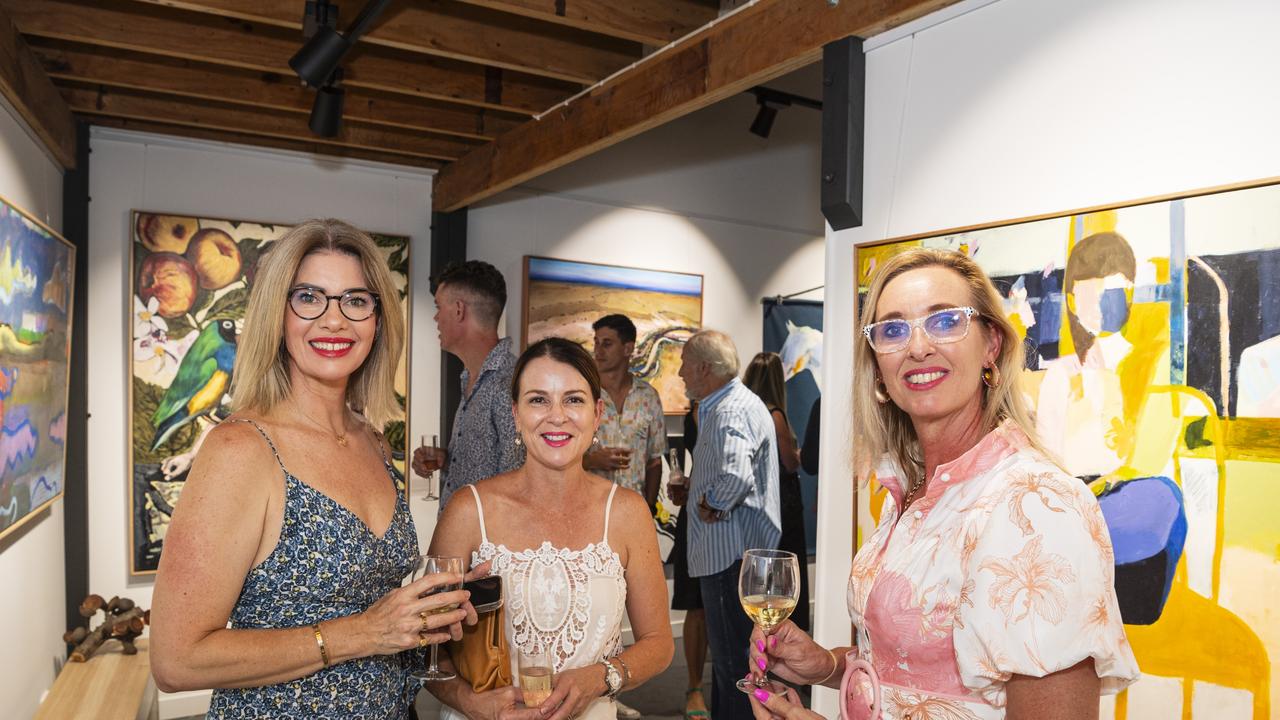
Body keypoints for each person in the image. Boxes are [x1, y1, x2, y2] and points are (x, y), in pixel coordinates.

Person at [747, 248, 1140, 720]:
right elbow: (918, 674)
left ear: (991, 344)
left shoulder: (1036, 505)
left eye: (945, 321)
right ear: (877, 366)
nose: (917, 347)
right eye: (892, 329)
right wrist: (826, 665)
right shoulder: (913, 490)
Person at [150, 219, 477, 718]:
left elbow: (382, 620)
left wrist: (426, 620)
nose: (334, 321)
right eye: (309, 297)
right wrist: (361, 633)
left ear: (377, 320)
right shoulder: (242, 449)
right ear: (277, 316)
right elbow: (176, 661)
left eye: (355, 300)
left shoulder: (370, 439)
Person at [427, 337, 675, 720]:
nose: (556, 416)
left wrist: (601, 677)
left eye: (573, 399)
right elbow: (426, 645)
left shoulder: (626, 512)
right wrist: (469, 702)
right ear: (515, 413)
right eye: (538, 400)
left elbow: (659, 644)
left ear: (597, 413)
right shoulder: (469, 509)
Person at [677, 329, 781, 720]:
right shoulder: (733, 403)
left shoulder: (728, 410)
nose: (681, 374)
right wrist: (697, 489)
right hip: (739, 555)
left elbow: (736, 476)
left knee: (733, 665)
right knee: (738, 663)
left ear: (704, 368)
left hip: (728, 557)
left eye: (685, 364)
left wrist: (711, 503)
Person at [412, 260, 524, 511]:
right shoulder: (470, 376)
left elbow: (516, 483)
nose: (435, 317)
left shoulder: (509, 383)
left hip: (485, 543)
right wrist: (447, 458)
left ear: (459, 310)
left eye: (439, 307)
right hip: (463, 540)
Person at [742, 352, 810, 634]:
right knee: (785, 569)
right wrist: (804, 454)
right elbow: (789, 461)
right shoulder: (775, 416)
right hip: (784, 500)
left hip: (759, 503)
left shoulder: (746, 414)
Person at [583, 313, 666, 513]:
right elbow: (562, 456)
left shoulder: (648, 396)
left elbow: (654, 460)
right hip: (590, 507)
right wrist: (593, 461)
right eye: (596, 342)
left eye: (607, 344)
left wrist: (650, 507)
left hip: (634, 509)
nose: (598, 351)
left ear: (627, 349)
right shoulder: (583, 395)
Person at [665, 401, 709, 720]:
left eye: (689, 364)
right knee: (696, 605)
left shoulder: (732, 405)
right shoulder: (692, 409)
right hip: (696, 515)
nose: (682, 372)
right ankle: (695, 687)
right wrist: (685, 488)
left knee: (724, 607)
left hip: (729, 516)